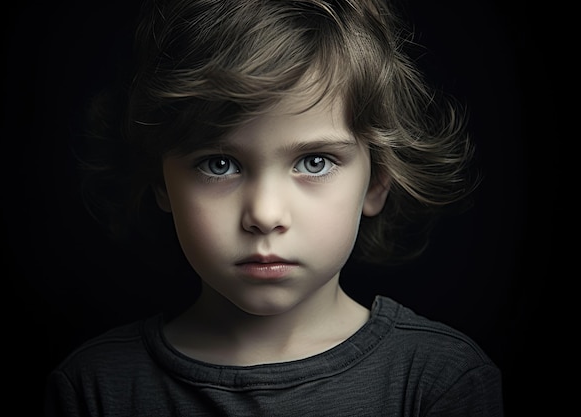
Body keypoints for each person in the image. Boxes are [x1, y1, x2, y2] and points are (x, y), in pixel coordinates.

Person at [44, 0, 504, 415]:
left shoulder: (437, 383)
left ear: (377, 181)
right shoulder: (96, 388)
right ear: (162, 181)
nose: (264, 214)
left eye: (314, 161)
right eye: (220, 164)